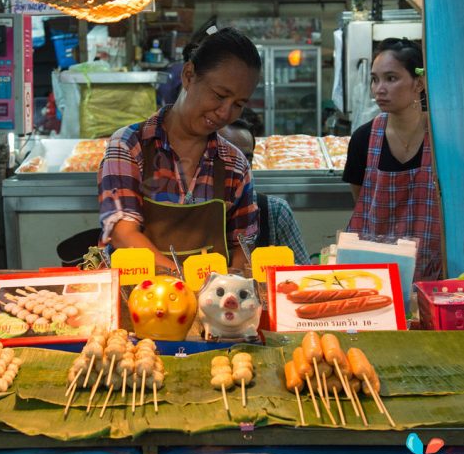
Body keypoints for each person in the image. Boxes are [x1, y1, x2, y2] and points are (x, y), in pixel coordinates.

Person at [98, 27, 261, 272]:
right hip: (137, 297)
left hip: (213, 303)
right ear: (188, 75)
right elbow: (123, 234)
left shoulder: (233, 164)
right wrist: (187, 283)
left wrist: (233, 286)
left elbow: (243, 246)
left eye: (238, 104)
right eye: (219, 95)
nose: (225, 112)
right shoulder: (130, 145)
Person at [342, 38, 443, 281]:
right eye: (375, 79)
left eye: (391, 78)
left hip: (433, 272)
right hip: (374, 275)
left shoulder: (443, 140)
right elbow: (362, 205)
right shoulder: (363, 139)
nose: (379, 89)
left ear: (418, 83)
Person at [219, 117, 311, 265]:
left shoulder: (274, 212)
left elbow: (303, 274)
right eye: (228, 156)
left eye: (246, 158)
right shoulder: (190, 210)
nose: (239, 166)